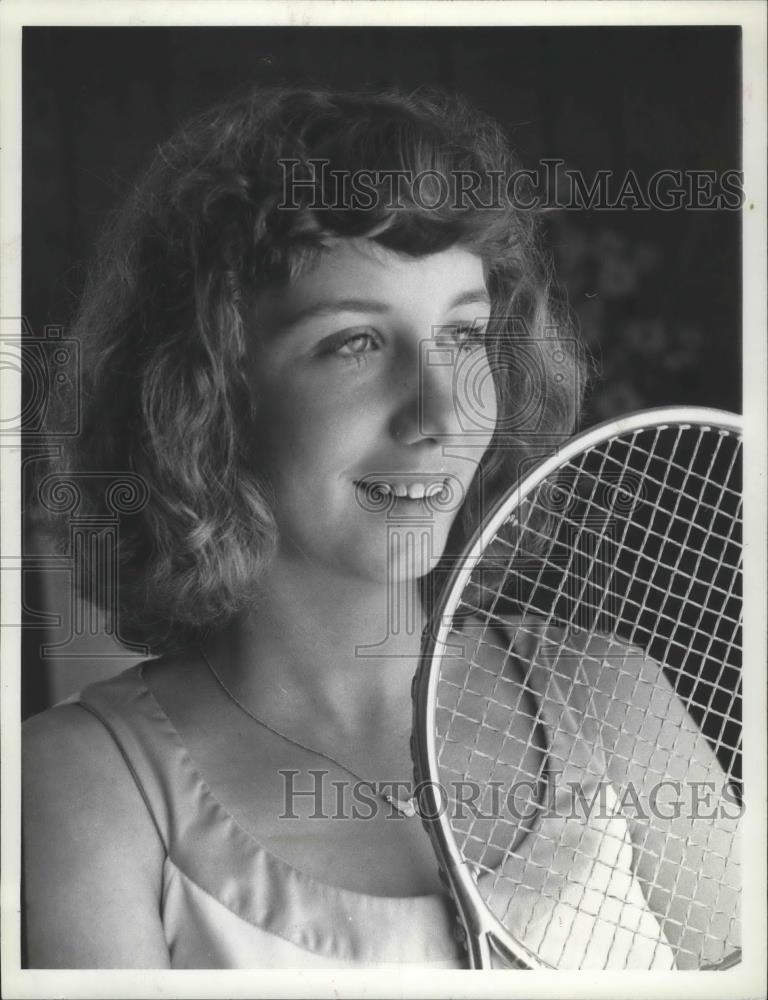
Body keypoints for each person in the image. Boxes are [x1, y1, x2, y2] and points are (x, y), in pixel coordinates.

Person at [22, 86, 737, 970]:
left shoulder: (614, 700)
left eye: (464, 335)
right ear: (204, 395)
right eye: (354, 342)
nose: (440, 413)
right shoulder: (84, 789)